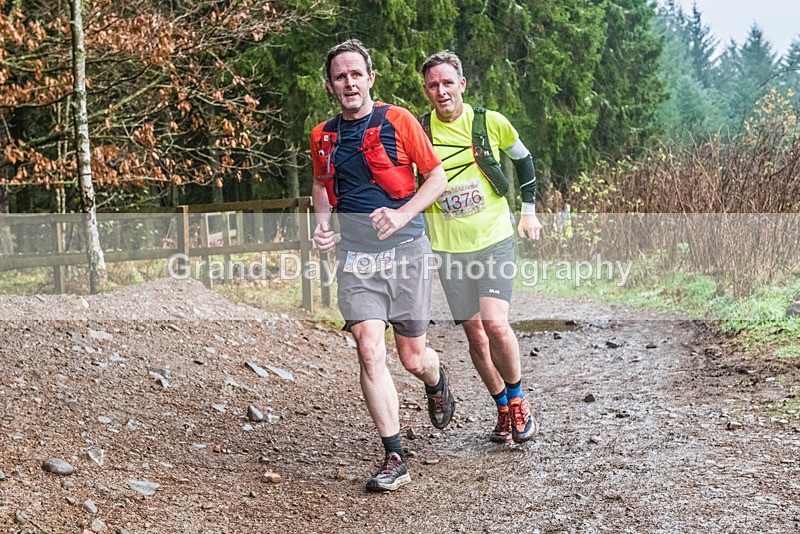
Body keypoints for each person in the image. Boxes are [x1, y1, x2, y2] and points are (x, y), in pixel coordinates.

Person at [309, 39, 454, 492]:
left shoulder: (398, 120)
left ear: (370, 79)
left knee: (412, 358)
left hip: (407, 250)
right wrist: (321, 225)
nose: (349, 82)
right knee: (369, 347)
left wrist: (402, 214)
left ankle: (437, 379)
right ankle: (394, 455)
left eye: (356, 74)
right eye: (340, 76)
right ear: (331, 85)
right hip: (355, 257)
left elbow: (437, 178)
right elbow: (320, 185)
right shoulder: (322, 136)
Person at [420, 50, 542, 444]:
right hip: (448, 248)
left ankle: (519, 399)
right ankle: (502, 408)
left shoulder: (489, 122)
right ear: (426, 91)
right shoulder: (419, 132)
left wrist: (528, 212)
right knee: (474, 335)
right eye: (434, 85)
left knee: (494, 324)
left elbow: (524, 162)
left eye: (448, 83)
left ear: (462, 85)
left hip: (493, 239)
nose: (442, 91)